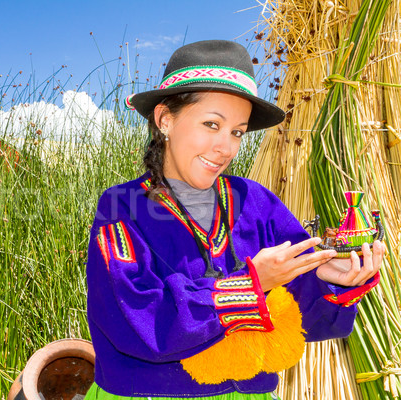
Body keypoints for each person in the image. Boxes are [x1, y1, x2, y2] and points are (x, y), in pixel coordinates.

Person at [85, 40, 384, 400]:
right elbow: (135, 320)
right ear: (165, 119)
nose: (225, 148)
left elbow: (298, 312)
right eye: (212, 124)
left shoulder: (256, 202)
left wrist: (328, 279)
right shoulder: (122, 207)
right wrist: (248, 286)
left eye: (237, 132)